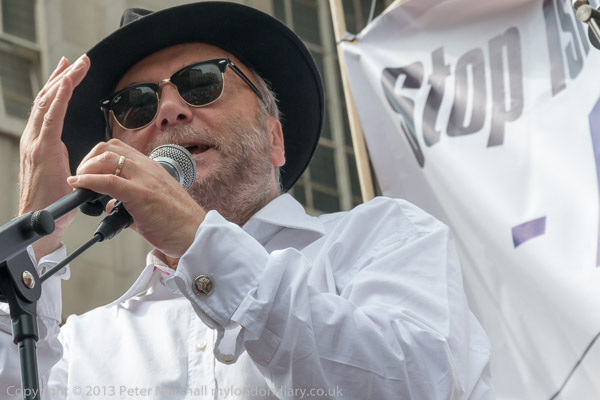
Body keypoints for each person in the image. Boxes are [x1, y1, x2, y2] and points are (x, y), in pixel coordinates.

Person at [1, 2, 492, 399]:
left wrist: (199, 241)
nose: (168, 109)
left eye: (201, 83)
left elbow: (416, 386)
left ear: (274, 137)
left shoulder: (383, 237)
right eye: (136, 105)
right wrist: (35, 242)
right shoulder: (88, 344)